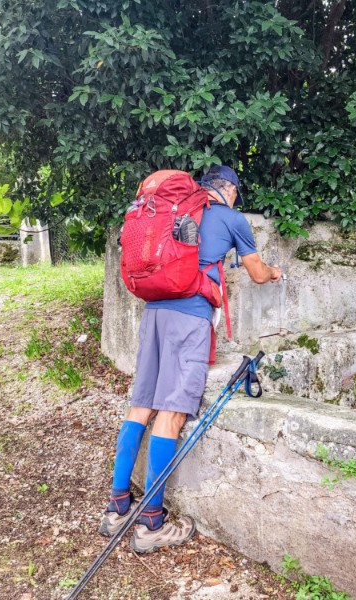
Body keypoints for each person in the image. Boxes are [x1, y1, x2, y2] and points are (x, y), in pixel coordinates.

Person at [99, 165, 282, 553]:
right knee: (173, 411)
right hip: (190, 317)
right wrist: (274, 272)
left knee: (141, 406)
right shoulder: (232, 218)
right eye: (236, 194)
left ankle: (116, 508)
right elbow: (257, 273)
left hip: (154, 314)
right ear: (229, 190)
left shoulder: (176, 211)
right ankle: (150, 523)